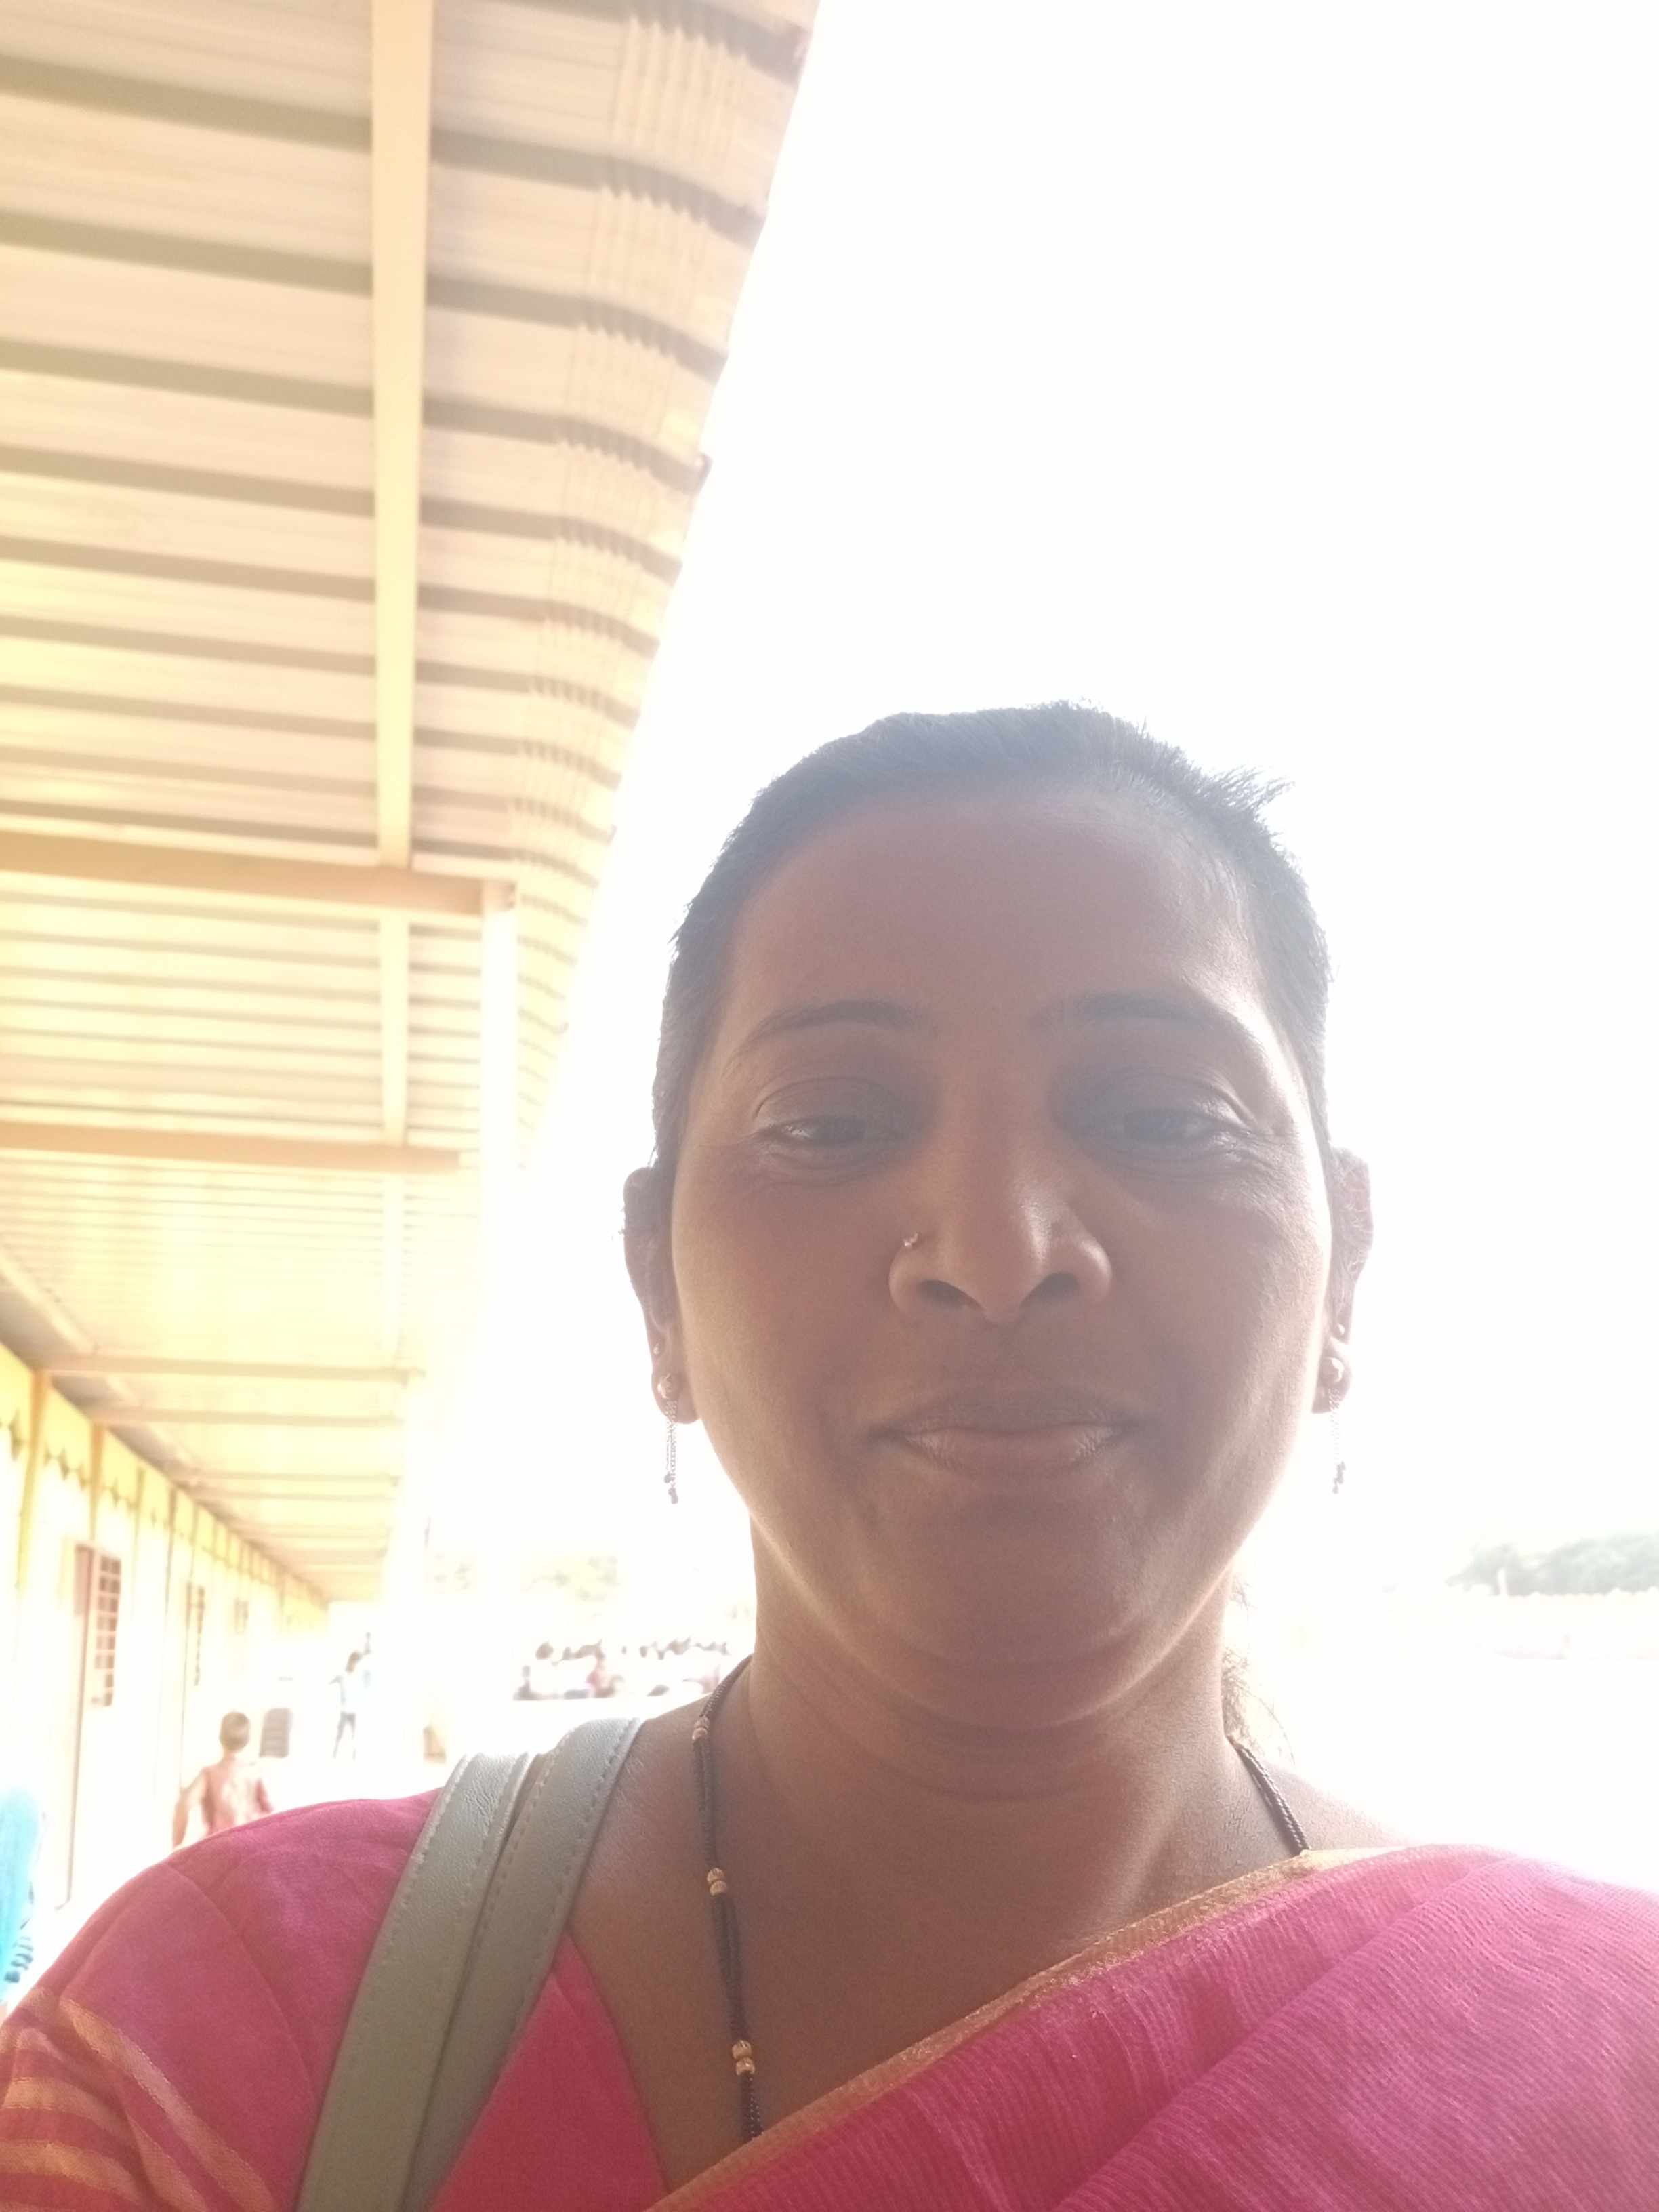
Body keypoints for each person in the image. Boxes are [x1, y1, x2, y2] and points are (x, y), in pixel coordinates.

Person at [3, 705, 1656, 2207]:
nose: (996, 1251)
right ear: (657, 1287)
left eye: (1160, 1116)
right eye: (832, 1124)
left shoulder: (1603, 2063)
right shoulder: (211, 2054)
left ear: (1342, 1269)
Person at [171, 1714, 272, 1847]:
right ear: (247, 1741)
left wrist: (176, 1845)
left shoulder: (209, 1774)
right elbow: (271, 1814)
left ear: (221, 1738)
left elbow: (184, 1804)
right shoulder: (256, 1773)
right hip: (250, 1847)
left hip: (219, 1847)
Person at [329, 1650, 363, 1759]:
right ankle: (335, 1753)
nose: (354, 1665)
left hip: (353, 1711)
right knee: (340, 1734)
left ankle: (355, 1755)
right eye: (353, 1662)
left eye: (356, 1663)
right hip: (345, 1711)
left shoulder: (357, 1676)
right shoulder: (342, 1675)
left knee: (354, 1735)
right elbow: (332, 1681)